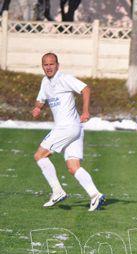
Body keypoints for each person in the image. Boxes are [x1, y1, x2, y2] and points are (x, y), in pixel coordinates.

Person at [32, 52, 105, 211]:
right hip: (75, 129)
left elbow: (85, 89)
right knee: (73, 166)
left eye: (52, 64)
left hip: (66, 127)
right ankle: (95, 195)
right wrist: (37, 108)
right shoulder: (45, 82)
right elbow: (41, 100)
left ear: (57, 65)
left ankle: (57, 191)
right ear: (42, 66)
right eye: (46, 64)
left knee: (39, 155)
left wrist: (85, 111)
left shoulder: (64, 78)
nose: (49, 67)